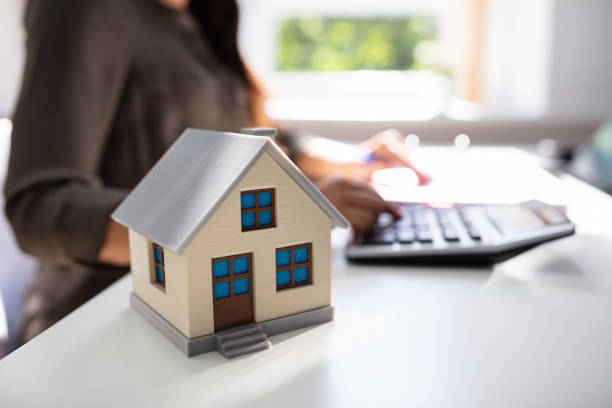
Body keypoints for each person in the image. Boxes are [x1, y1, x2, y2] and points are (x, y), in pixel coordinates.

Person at [4, 0, 424, 342]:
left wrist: (359, 159)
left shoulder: (204, 17)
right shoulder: (81, 11)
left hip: (220, 314)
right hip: (107, 323)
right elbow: (39, 205)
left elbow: (267, 141)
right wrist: (288, 213)